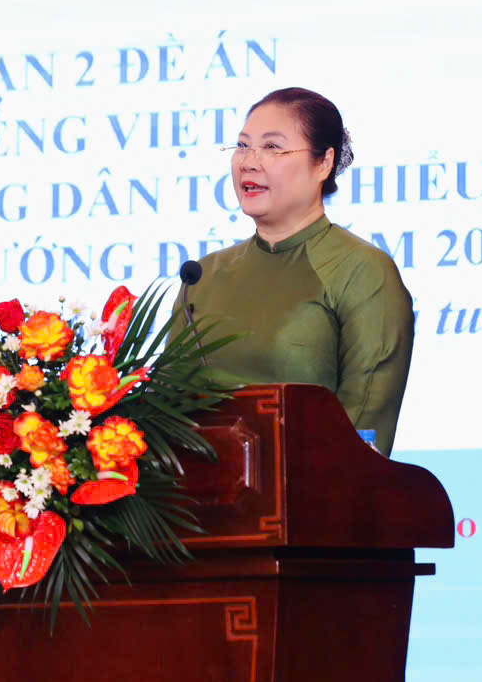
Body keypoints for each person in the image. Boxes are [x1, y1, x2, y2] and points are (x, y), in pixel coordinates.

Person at [176, 87, 414, 456]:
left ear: (323, 163)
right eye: (242, 146)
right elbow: (168, 413)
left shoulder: (362, 270)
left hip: (317, 487)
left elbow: (365, 428)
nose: (249, 162)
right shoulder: (202, 276)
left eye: (272, 147)